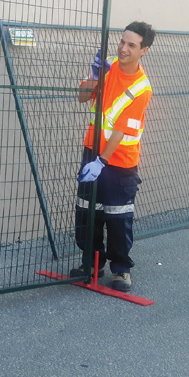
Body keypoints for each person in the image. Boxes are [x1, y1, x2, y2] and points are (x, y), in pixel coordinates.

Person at [71, 21, 155, 292]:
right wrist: (96, 76)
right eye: (122, 41)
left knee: (118, 217)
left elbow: (120, 131)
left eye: (132, 45)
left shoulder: (142, 88)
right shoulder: (107, 65)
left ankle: (121, 270)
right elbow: (82, 97)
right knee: (87, 211)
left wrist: (101, 161)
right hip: (91, 151)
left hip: (119, 162)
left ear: (144, 50)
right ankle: (91, 263)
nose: (123, 48)